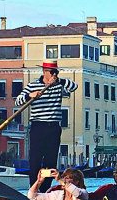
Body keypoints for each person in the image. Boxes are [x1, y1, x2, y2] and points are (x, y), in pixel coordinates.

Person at [15, 61, 78, 191]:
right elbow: (18, 101)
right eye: (52, 72)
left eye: (56, 72)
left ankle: (45, 190)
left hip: (54, 128)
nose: (54, 75)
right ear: (44, 72)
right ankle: (34, 189)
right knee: (35, 160)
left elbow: (74, 87)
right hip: (38, 126)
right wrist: (30, 95)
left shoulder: (59, 85)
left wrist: (58, 81)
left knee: (50, 161)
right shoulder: (33, 85)